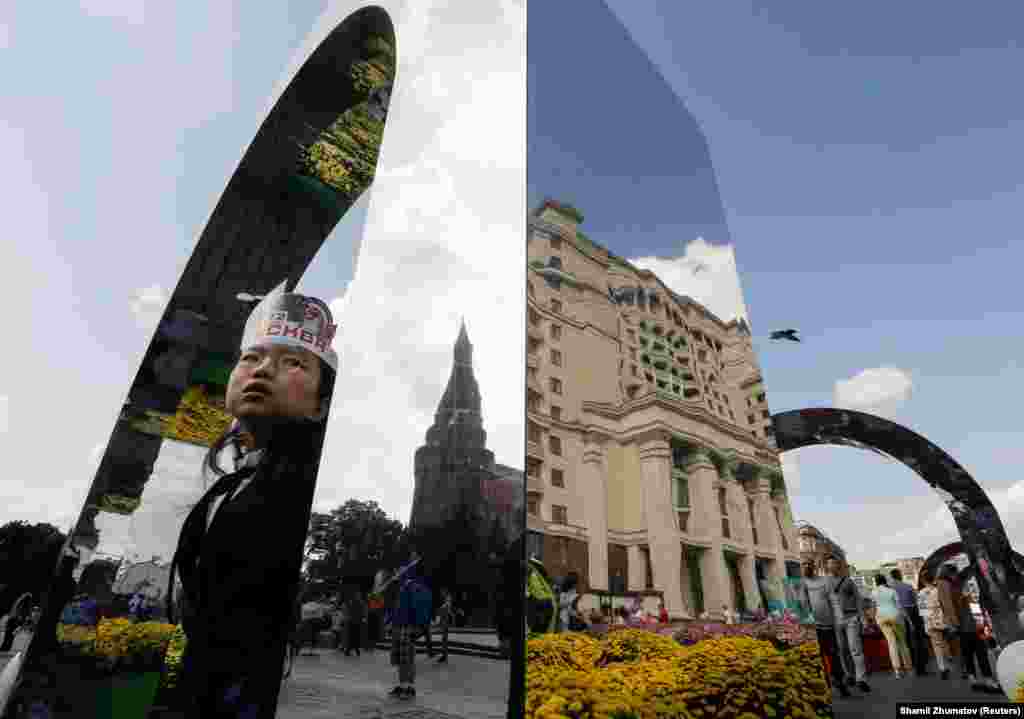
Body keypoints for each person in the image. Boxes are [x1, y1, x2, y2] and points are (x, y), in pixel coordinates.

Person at [165, 281, 339, 717]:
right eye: (251, 357)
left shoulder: (306, 489)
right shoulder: (228, 484)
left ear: (320, 405)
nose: (262, 371)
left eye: (293, 362)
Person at [800, 560, 850, 697]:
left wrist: (839, 617)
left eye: (808, 565)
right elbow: (803, 602)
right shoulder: (803, 583)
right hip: (814, 627)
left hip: (828, 625)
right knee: (819, 656)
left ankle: (840, 684)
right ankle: (825, 686)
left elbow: (833, 599)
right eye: (803, 566)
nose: (806, 568)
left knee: (833, 654)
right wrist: (807, 617)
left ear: (813, 567)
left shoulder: (825, 581)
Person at [825, 555, 870, 693]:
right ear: (827, 566)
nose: (832, 566)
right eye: (829, 564)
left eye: (834, 563)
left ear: (838, 566)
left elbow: (858, 599)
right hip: (835, 620)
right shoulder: (825, 583)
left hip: (851, 617)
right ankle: (849, 675)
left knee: (855, 648)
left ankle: (861, 679)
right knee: (842, 650)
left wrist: (862, 618)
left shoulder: (848, 581)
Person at [952, 576, 1000, 693]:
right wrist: (988, 635)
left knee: (968, 654)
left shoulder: (954, 592)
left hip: (962, 627)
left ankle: (973, 680)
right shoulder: (972, 598)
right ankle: (989, 681)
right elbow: (980, 618)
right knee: (981, 654)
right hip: (974, 628)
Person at [872, 575, 913, 677]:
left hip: (881, 618)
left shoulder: (873, 592)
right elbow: (899, 606)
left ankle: (897, 670)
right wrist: (909, 620)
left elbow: (873, 607)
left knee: (891, 643)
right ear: (885, 581)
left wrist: (874, 619)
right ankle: (908, 667)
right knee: (902, 642)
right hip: (895, 617)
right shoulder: (891, 591)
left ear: (876, 582)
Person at [890, 568, 928, 676]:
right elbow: (916, 602)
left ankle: (909, 665)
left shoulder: (890, 589)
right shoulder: (908, 586)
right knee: (916, 640)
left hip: (897, 615)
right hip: (912, 613)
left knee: (903, 642)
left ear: (892, 577)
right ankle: (920, 666)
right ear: (900, 575)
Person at [919, 567, 956, 679]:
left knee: (936, 645)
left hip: (929, 621)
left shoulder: (920, 593)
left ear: (923, 581)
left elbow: (921, 610)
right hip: (941, 619)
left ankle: (942, 668)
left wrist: (926, 620)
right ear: (933, 579)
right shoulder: (937, 590)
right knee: (945, 641)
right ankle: (949, 658)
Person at [345, 592, 365, 657]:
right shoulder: (353, 602)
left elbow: (362, 612)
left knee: (356, 636)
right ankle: (350, 650)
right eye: (357, 596)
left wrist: (363, 618)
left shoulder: (360, 603)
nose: (358, 596)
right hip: (352, 621)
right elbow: (349, 611)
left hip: (357, 622)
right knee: (352, 636)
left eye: (359, 596)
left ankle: (354, 649)